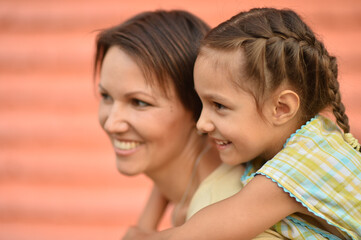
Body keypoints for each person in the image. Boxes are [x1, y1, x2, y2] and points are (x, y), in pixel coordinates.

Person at [127, 7, 361, 240]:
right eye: (202, 104)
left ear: (281, 108)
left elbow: (207, 232)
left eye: (219, 105)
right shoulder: (283, 140)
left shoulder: (306, 160)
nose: (202, 124)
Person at [94, 9, 283, 239]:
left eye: (139, 102)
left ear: (197, 108)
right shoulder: (186, 179)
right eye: (106, 97)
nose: (112, 123)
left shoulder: (220, 218)